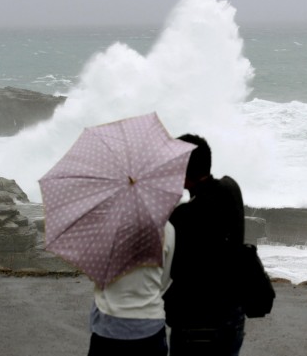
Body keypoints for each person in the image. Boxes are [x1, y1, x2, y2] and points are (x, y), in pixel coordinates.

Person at [164, 134, 246, 356]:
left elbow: (174, 269)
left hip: (196, 324)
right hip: (232, 316)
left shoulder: (182, 216)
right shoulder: (231, 189)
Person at [87, 221, 175, 356]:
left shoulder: (104, 226)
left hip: (109, 324)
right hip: (150, 324)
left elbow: (93, 274)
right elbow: (164, 280)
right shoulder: (166, 228)